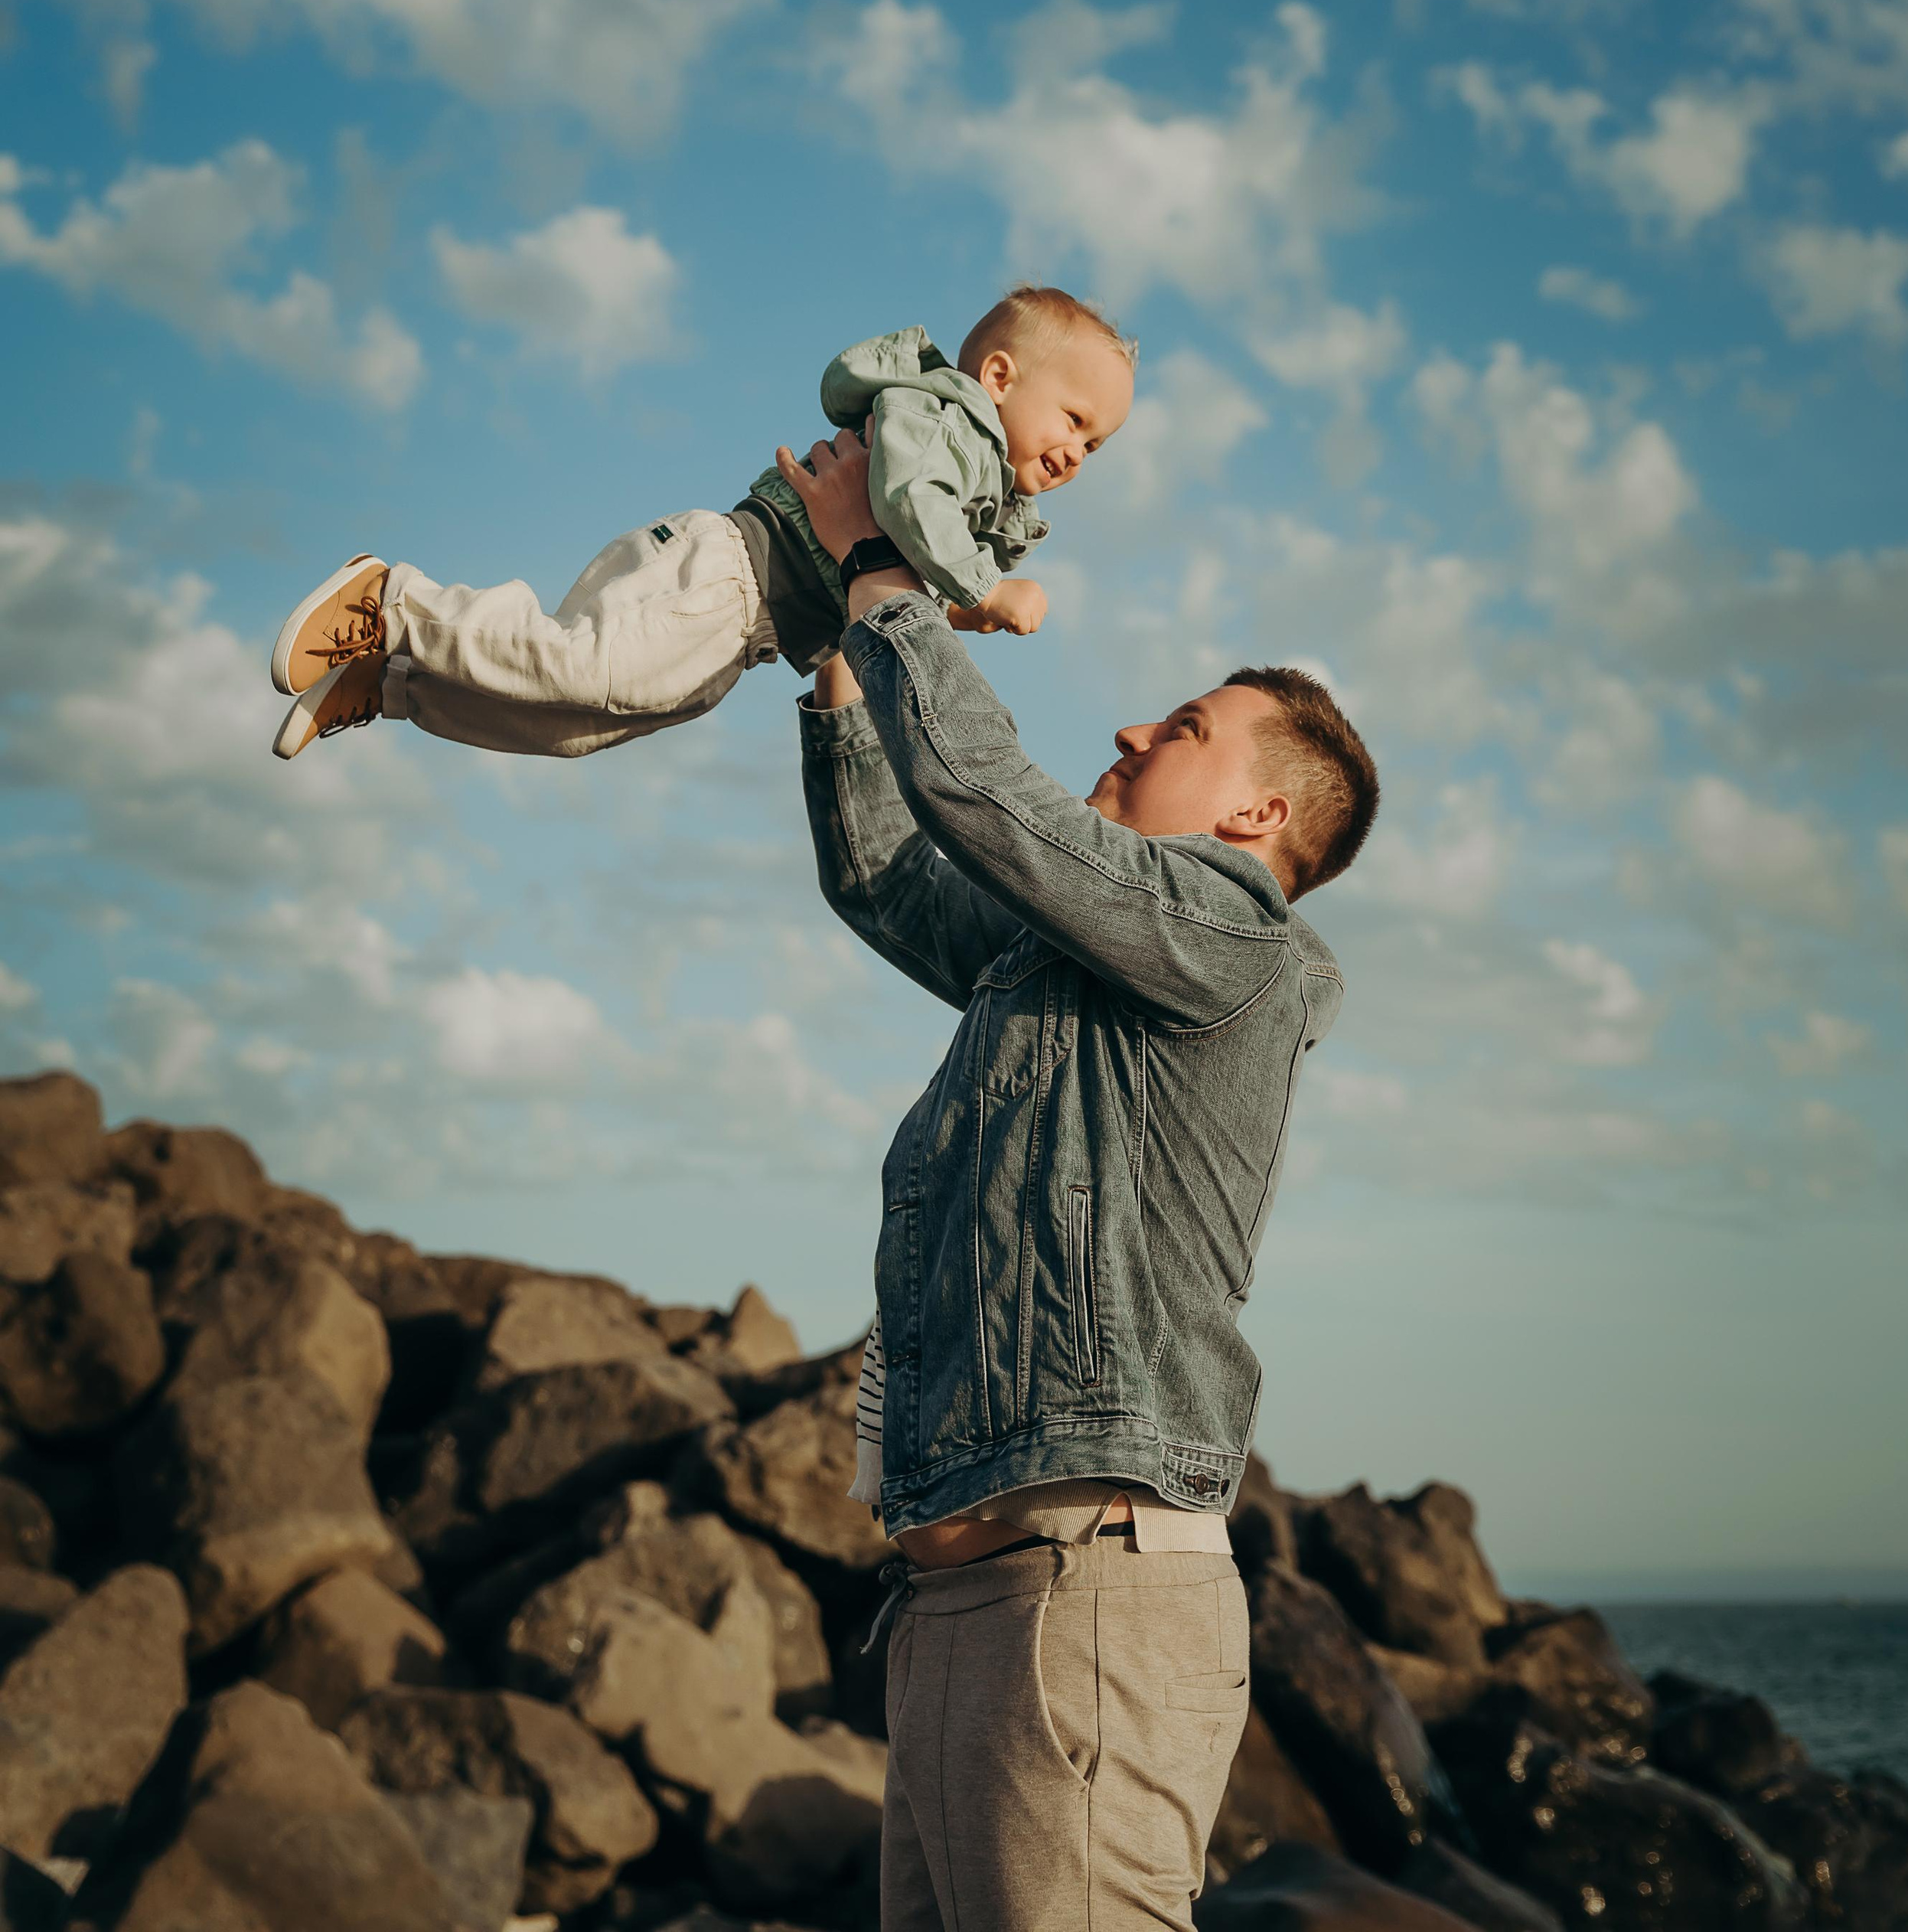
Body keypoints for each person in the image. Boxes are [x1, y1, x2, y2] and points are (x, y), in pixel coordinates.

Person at [778, 425, 1378, 1932]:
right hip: (961, 1613)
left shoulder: (1230, 937)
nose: (1125, 730)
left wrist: (882, 572)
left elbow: (993, 804)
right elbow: (884, 872)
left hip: (1086, 1605)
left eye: (1178, 728)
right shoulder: (1066, 957)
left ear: (1252, 820)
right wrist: (837, 642)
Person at [264, 285, 1133, 760]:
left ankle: (393, 683)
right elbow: (906, 498)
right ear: (999, 376)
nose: (1076, 454)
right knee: (586, 663)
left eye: (1096, 447)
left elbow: (888, 575)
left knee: (579, 726)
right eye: (1073, 420)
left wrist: (961, 606)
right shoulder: (944, 420)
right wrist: (988, 586)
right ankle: (393, 601)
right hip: (727, 574)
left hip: (749, 634)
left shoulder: (978, 502)